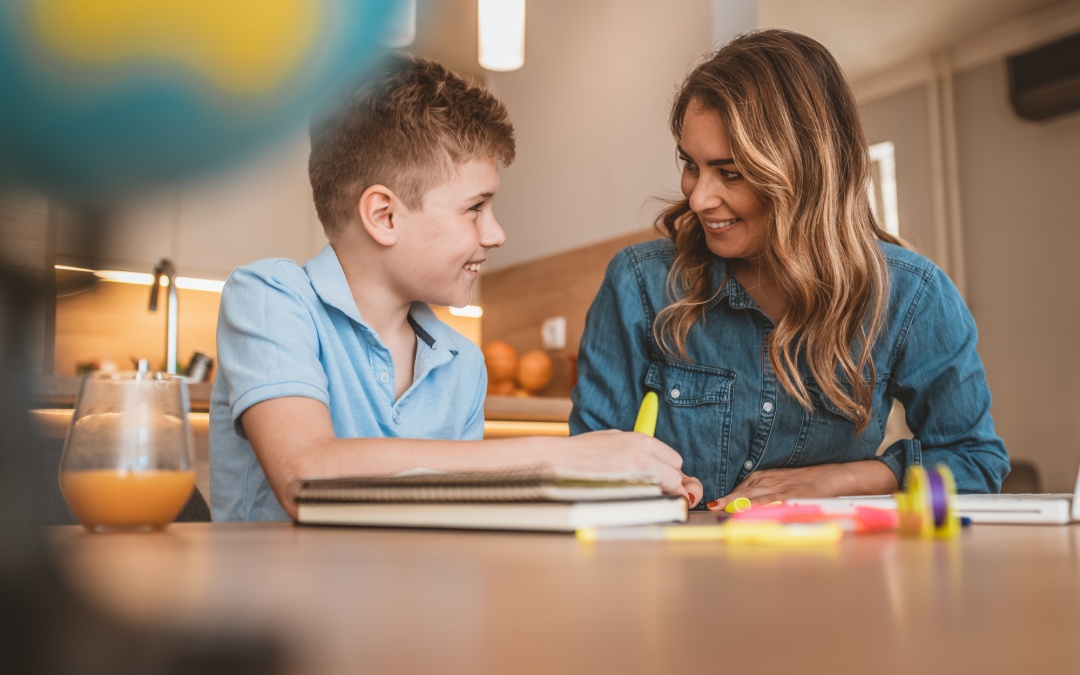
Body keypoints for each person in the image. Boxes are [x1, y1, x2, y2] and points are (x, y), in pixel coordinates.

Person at [209, 55, 703, 521]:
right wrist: (565, 456)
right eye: (475, 208)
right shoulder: (270, 296)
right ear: (384, 216)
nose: (496, 234)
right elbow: (304, 474)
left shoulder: (461, 364)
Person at [569, 30, 1009, 511]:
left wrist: (841, 480)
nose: (697, 198)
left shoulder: (912, 295)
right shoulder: (639, 284)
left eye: (730, 172)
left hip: (831, 576)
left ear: (806, 172)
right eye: (691, 164)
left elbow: (974, 462)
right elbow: (587, 471)